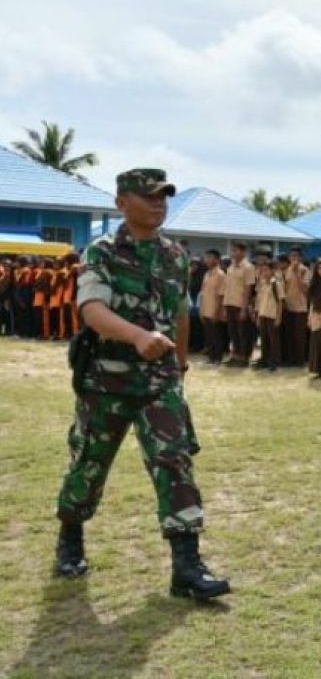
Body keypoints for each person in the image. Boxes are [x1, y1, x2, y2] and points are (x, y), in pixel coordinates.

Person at [53, 168, 229, 599]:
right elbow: (91, 310)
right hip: (106, 382)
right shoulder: (102, 252)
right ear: (121, 204)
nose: (159, 203)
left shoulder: (175, 255)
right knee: (89, 464)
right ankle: (70, 537)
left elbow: (181, 316)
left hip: (159, 382)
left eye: (163, 196)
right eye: (148, 196)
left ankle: (186, 566)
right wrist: (137, 336)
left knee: (174, 460)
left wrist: (181, 368)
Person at [223, 242, 256, 367]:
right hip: (229, 302)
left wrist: (244, 308)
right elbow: (227, 287)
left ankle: (244, 357)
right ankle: (235, 355)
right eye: (232, 251)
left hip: (240, 304)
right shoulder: (230, 267)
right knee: (233, 332)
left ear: (243, 252)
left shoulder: (248, 267)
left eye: (235, 251)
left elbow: (248, 288)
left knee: (243, 332)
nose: (233, 253)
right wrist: (224, 306)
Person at [252, 257, 284, 371]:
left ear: (272, 270)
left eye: (266, 270)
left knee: (273, 339)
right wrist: (256, 314)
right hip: (262, 314)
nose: (264, 272)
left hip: (272, 315)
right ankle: (264, 359)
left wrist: (279, 317)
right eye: (262, 270)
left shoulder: (276, 284)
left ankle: (275, 361)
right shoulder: (261, 284)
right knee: (264, 339)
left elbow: (280, 301)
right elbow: (258, 300)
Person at [282, 246, 311, 368]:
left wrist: (296, 273)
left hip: (301, 308)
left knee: (300, 335)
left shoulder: (305, 270)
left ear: (300, 257)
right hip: (289, 306)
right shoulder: (286, 270)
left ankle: (300, 359)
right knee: (290, 334)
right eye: (291, 256)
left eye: (296, 256)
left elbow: (305, 289)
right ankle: (291, 358)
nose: (293, 258)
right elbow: (284, 288)